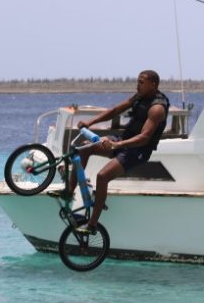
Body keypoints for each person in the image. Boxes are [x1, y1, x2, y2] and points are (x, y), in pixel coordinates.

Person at [61, 69, 169, 234]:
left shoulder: (157, 108)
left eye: (141, 82)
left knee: (102, 176)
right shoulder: (138, 97)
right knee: (84, 148)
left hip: (138, 150)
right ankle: (69, 191)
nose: (137, 85)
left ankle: (92, 224)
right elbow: (115, 110)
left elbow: (145, 138)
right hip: (123, 141)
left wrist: (116, 145)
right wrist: (90, 122)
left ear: (153, 85)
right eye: (137, 81)